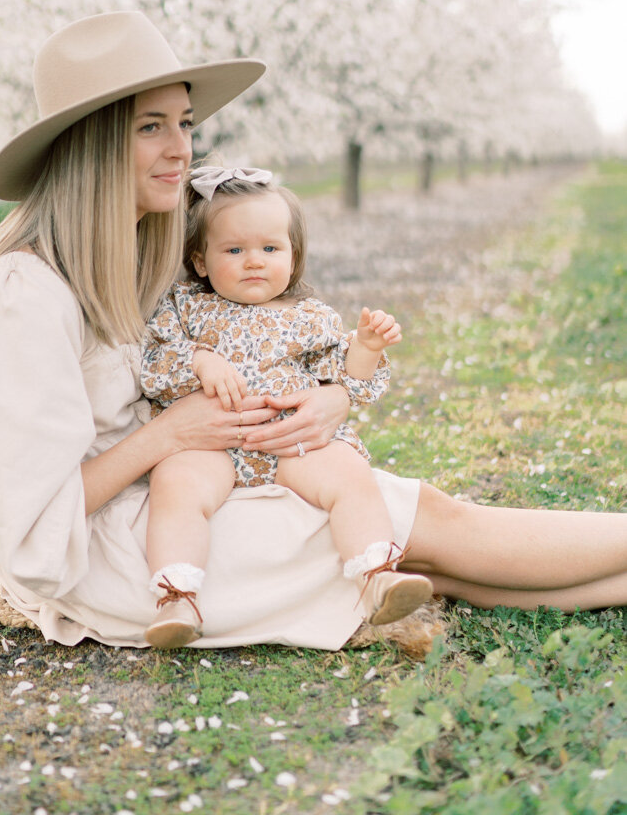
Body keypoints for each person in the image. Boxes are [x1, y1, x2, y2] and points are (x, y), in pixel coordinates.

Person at [0, 10, 627, 651]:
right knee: (433, 524)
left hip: (190, 490)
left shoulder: (144, 243)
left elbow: (246, 239)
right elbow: (26, 528)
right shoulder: (20, 297)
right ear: (91, 146)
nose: (180, 148)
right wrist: (172, 434)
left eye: (185, 123)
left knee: (427, 551)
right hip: (119, 548)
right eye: (151, 127)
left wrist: (335, 395)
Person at [141, 167, 432, 646]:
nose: (254, 261)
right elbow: (153, 360)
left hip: (290, 444)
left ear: (293, 258)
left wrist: (367, 346)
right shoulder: (186, 307)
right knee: (176, 487)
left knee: (347, 474)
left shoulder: (310, 317)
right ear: (200, 261)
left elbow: (346, 379)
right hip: (211, 444)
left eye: (270, 249)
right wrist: (200, 358)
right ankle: (177, 597)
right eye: (234, 250)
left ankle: (377, 573)